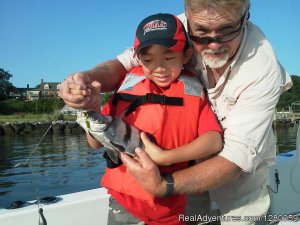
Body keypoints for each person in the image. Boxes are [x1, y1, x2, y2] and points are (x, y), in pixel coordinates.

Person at [59, 0, 293, 224]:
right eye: (201, 32)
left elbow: (234, 157)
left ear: (245, 17)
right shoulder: (172, 30)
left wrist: (162, 175)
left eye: (227, 29)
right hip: (137, 198)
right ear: (189, 19)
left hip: (235, 181)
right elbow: (121, 65)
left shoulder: (263, 69)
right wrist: (86, 83)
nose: (213, 43)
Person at [84, 13, 222, 225]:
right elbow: (94, 143)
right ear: (138, 59)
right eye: (148, 60)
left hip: (179, 203)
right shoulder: (128, 86)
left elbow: (214, 140)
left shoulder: (193, 92)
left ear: (186, 56)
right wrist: (92, 110)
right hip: (127, 204)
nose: (159, 68)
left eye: (168, 58)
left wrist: (164, 157)